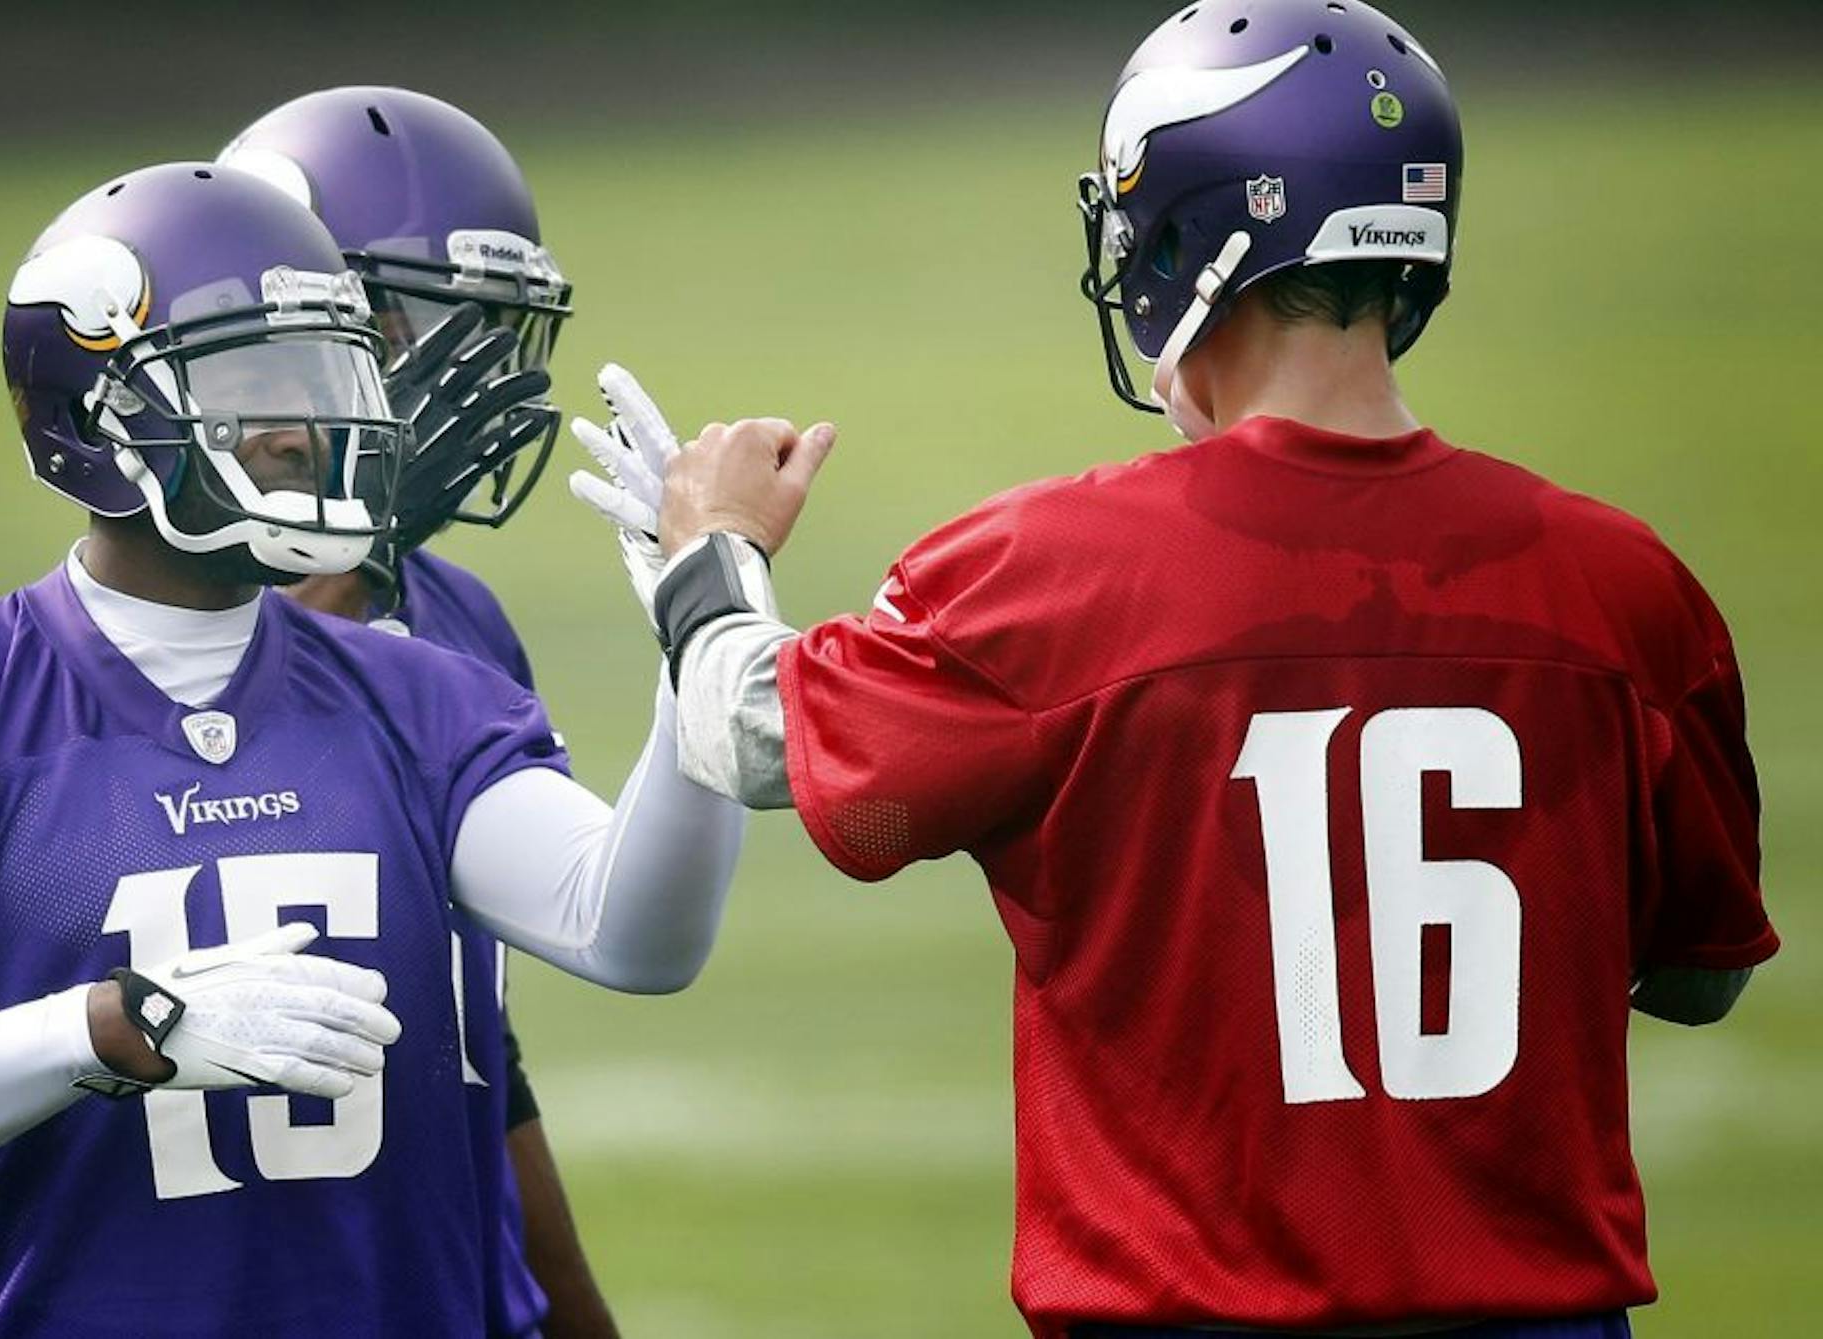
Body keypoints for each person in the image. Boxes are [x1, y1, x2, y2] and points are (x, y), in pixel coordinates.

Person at [569, 2, 1777, 1335]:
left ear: (1186, 237)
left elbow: (750, 735)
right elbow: (1699, 970)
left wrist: (712, 554)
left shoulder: (1056, 571)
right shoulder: (1625, 586)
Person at [0, 161, 744, 1338]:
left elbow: (634, 932)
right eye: (249, 382)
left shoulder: (419, 695)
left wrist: (701, 649)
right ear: (92, 417)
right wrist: (106, 1030)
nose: (301, 429)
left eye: (322, 376)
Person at [222, 86, 614, 1339]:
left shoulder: (457, 618)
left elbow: (475, 1052)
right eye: (426, 327)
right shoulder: (142, 644)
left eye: (489, 333)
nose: (474, 382)